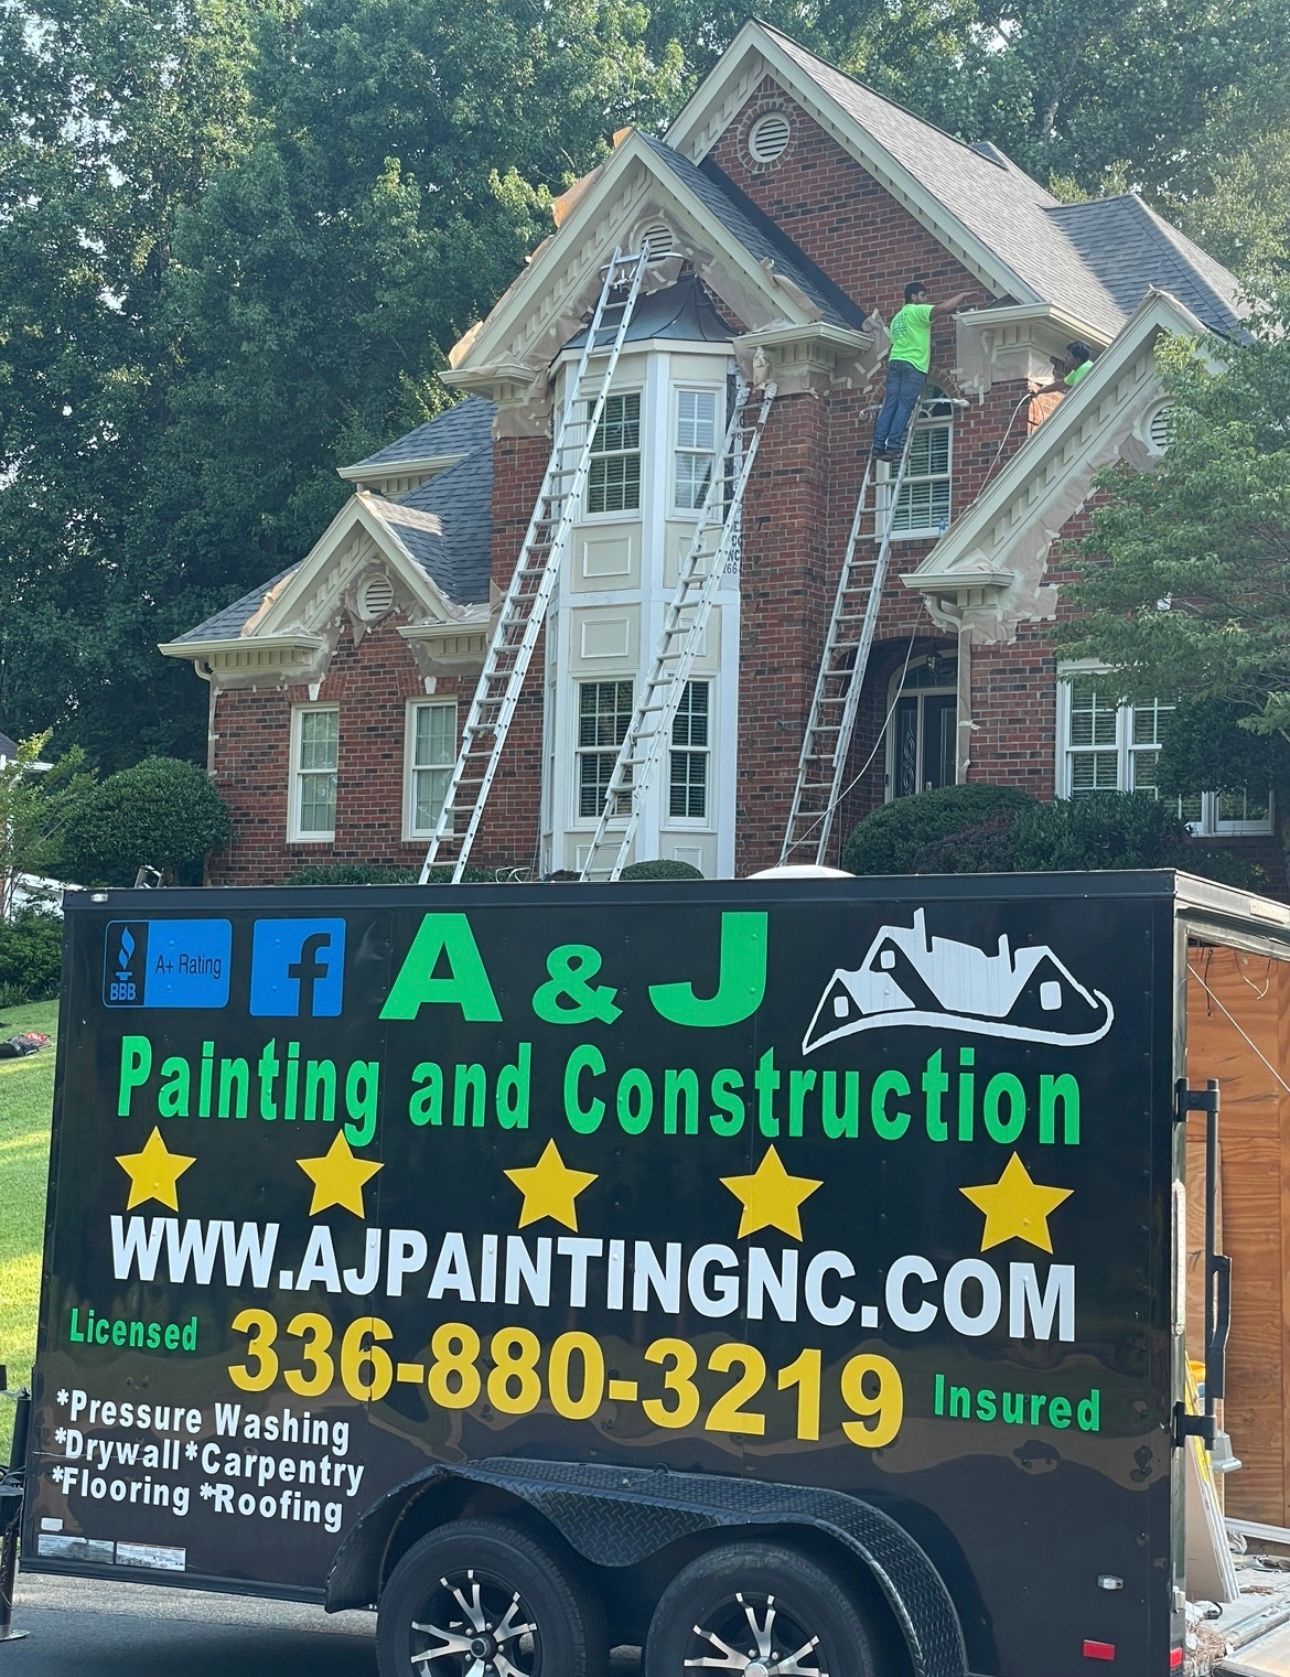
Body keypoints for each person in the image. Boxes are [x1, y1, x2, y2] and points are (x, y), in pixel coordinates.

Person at [872, 280, 977, 461]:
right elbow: (942, 308)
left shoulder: (897, 318)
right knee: (904, 406)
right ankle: (893, 448)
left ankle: (878, 446)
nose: (925, 299)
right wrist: (962, 296)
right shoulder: (917, 311)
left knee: (890, 405)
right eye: (923, 296)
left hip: (895, 363)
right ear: (914, 297)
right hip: (913, 365)